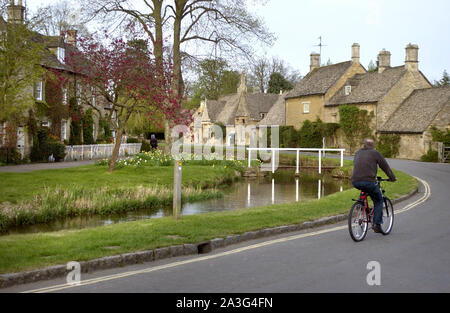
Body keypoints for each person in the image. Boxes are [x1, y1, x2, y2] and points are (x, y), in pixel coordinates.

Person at [351, 138, 396, 233]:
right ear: (373, 146)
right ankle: (377, 224)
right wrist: (392, 177)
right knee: (378, 200)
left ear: (363, 145)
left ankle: (360, 206)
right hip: (369, 181)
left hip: (355, 181)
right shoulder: (375, 153)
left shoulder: (357, 153)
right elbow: (385, 167)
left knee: (364, 190)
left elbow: (357, 165)